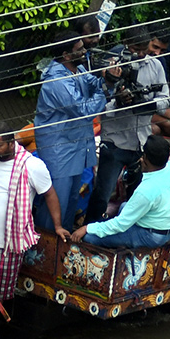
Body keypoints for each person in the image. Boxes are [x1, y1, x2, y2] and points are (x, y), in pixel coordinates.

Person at [0, 123, 71, 322]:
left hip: (6, 246)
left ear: (11, 143)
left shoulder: (32, 165)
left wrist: (58, 226)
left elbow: (50, 194)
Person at [84, 25, 170, 224]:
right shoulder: (110, 66)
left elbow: (164, 100)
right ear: (126, 45)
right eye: (136, 49)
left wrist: (146, 104)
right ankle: (89, 230)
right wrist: (119, 100)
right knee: (102, 194)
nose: (141, 54)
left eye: (144, 49)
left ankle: (129, 227)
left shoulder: (156, 65)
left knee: (138, 194)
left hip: (142, 144)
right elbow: (99, 106)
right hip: (114, 142)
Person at [33, 30, 108, 230]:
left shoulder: (78, 70)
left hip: (75, 147)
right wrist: (106, 90)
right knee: (56, 203)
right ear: (66, 55)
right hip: (59, 150)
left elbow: (94, 84)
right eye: (80, 49)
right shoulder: (57, 81)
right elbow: (83, 110)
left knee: (71, 200)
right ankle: (45, 248)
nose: (85, 52)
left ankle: (62, 245)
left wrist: (107, 78)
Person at [72, 135, 170, 249]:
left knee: (89, 237)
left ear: (144, 157)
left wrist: (87, 228)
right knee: (123, 206)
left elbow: (120, 224)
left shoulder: (145, 191)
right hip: (169, 227)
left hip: (152, 236)